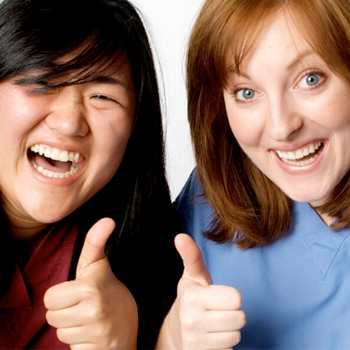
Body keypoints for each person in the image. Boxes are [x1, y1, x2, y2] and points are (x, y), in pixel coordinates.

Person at [155, 0, 350, 349]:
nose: (281, 128)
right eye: (247, 92)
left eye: (310, 79)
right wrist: (171, 340)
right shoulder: (209, 199)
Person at [0, 0, 182, 349]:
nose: (69, 123)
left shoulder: (162, 268)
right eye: (42, 81)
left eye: (103, 96)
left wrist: (125, 342)